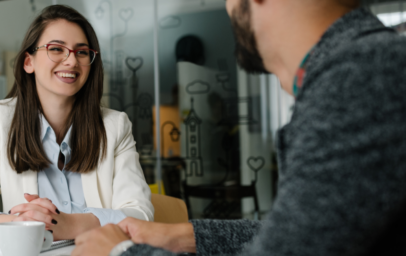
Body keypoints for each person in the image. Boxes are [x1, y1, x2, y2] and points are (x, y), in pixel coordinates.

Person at [72, 0, 406, 255]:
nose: (230, 10)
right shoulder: (364, 66)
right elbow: (298, 232)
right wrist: (185, 235)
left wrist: (120, 252)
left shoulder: (360, 78)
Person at [0, 5, 153, 241]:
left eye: (81, 52)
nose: (71, 61)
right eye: (57, 49)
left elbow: (140, 215)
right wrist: (22, 224)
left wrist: (71, 225)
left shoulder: (116, 127)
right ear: (28, 62)